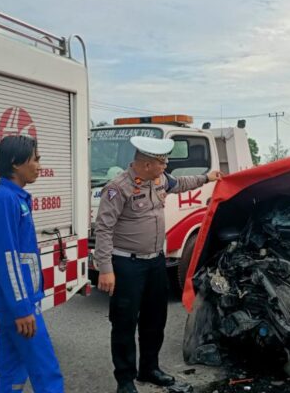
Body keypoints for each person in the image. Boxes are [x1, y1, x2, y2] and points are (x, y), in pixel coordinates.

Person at [94, 136, 222, 393]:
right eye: (162, 162)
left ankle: (149, 368)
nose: (166, 166)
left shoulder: (160, 179)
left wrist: (208, 178)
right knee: (125, 323)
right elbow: (104, 229)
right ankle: (125, 379)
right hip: (126, 264)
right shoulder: (117, 188)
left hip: (155, 262)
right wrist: (105, 269)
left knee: (155, 319)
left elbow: (182, 183)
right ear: (146, 163)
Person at [0, 135, 64, 393]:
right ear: (16, 163)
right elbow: (8, 260)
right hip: (17, 303)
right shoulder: (4, 199)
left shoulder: (13, 197)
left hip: (15, 301)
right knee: (46, 369)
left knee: (12, 367)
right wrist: (22, 309)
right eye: (35, 159)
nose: (39, 165)